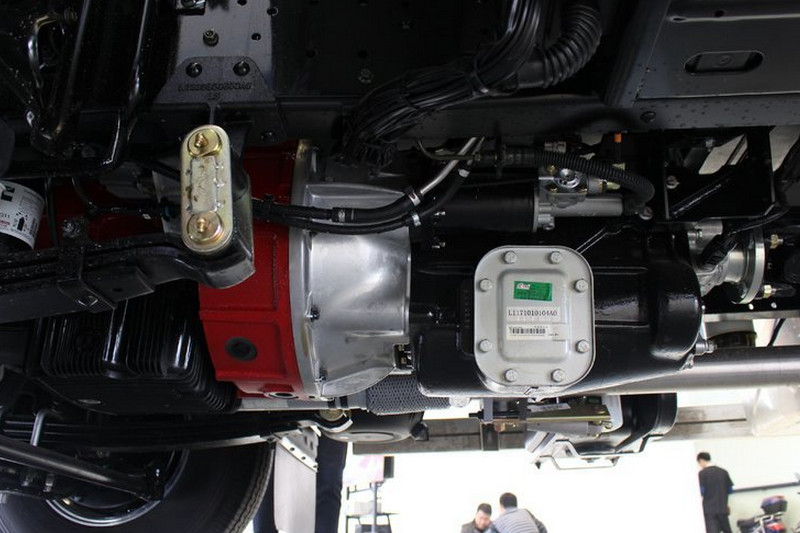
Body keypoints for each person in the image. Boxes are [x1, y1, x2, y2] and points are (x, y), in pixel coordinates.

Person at [697, 452, 734, 533]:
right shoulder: (723, 472)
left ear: (701, 460)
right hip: (723, 508)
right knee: (727, 530)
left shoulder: (702, 474)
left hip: (709, 510)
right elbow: (730, 490)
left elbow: (701, 491)